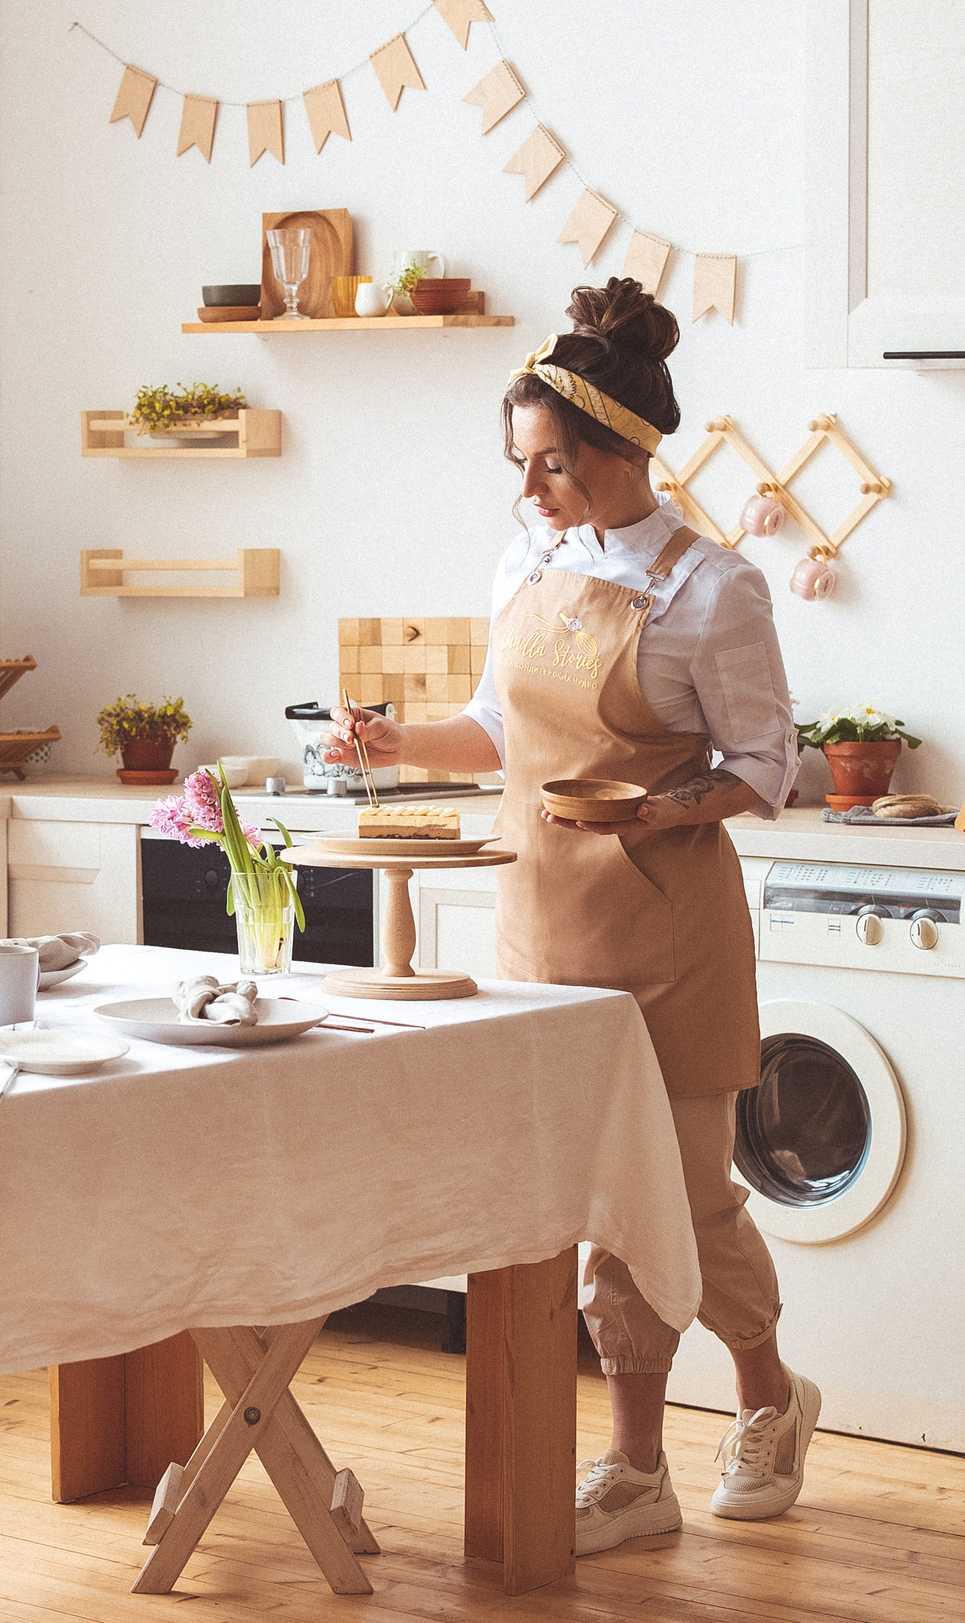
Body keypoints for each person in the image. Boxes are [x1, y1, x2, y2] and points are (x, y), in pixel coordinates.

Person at [325, 277, 817, 1554]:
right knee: (590, 1200)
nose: (529, 491)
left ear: (618, 452)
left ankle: (767, 1396)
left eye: (548, 466)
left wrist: (649, 814)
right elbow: (494, 731)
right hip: (540, 926)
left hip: (667, 929)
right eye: (519, 466)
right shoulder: (525, 562)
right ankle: (637, 1467)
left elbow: (765, 767)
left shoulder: (715, 590)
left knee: (689, 1198)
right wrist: (389, 737)